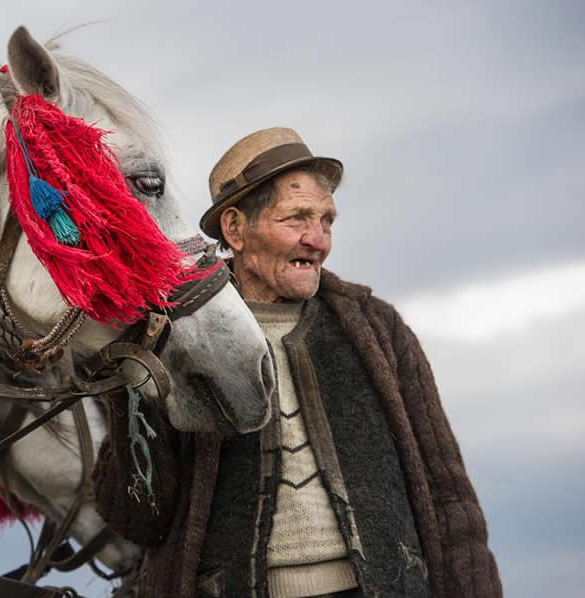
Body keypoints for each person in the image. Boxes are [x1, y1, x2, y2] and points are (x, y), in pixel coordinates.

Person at [93, 127, 502, 598]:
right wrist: (129, 386)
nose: (318, 239)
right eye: (297, 218)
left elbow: (450, 498)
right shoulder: (174, 337)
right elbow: (136, 519)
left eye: (327, 220)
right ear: (235, 229)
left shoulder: (379, 330)